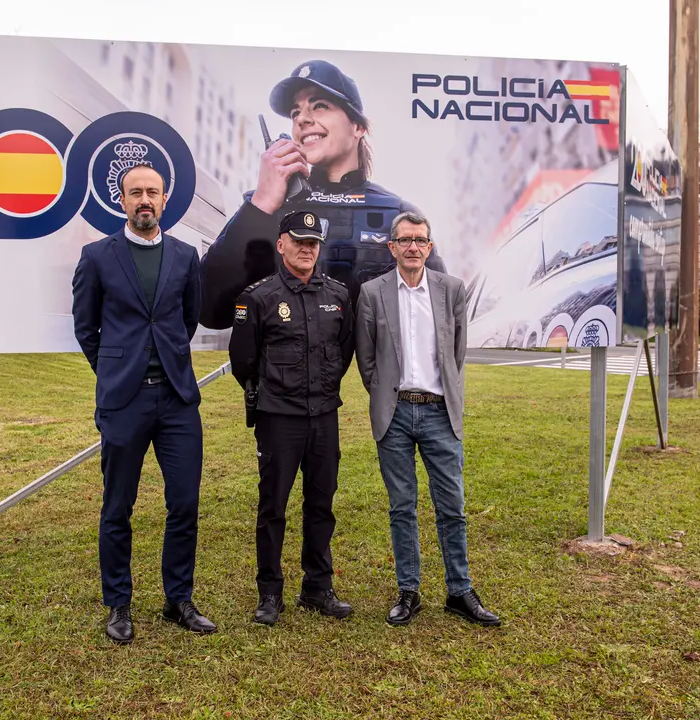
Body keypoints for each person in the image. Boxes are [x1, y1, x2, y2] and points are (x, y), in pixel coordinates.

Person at [71, 163, 216, 644]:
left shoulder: (184, 256)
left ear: (165, 199)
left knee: (185, 503)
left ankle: (179, 599)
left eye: (152, 192)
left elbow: (187, 319)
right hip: (124, 401)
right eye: (136, 193)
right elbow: (85, 327)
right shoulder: (97, 256)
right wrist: (117, 369)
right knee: (118, 507)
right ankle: (118, 603)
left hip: (176, 400)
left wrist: (164, 360)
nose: (145, 200)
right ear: (123, 200)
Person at [199, 59, 446, 330]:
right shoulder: (267, 209)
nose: (301, 119)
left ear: (358, 127)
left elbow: (438, 316)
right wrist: (262, 203)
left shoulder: (398, 214)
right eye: (295, 112)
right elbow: (210, 309)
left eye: (319, 106)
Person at [354, 211, 501, 628]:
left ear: (429, 247)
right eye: (405, 240)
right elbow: (366, 358)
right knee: (402, 506)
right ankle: (409, 591)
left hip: (439, 412)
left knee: (451, 506)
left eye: (420, 240)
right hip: (395, 413)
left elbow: (457, 352)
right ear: (392, 247)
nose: (413, 247)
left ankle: (459, 591)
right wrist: (386, 394)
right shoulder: (372, 293)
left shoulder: (451, 290)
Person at [228, 209, 356, 626]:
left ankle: (317, 588)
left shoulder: (338, 295)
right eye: (299, 241)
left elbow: (344, 352)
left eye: (313, 242)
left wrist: (321, 389)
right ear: (281, 244)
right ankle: (270, 593)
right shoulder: (258, 297)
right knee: (273, 508)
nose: (307, 248)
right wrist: (276, 392)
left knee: (321, 504)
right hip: (278, 419)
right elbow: (243, 361)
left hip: (324, 417)